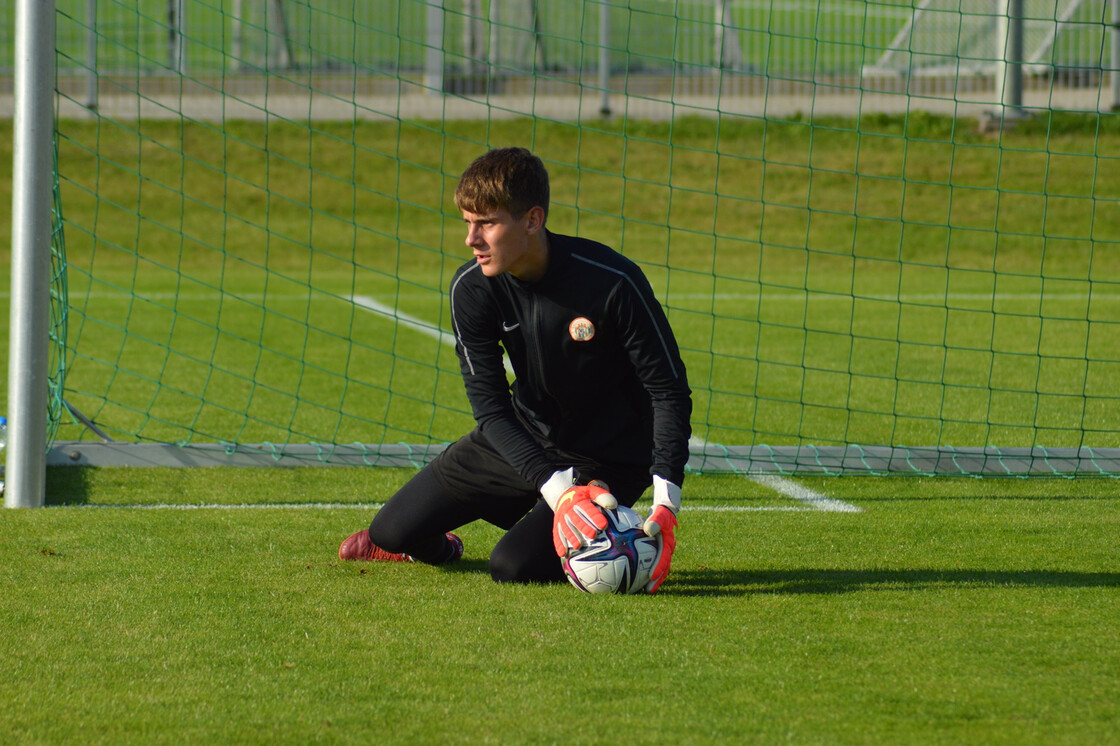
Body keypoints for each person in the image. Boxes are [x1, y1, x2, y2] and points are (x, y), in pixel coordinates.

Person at [338, 147, 692, 592]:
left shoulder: (612, 282)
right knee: (390, 533)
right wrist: (559, 490)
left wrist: (666, 501)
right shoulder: (472, 290)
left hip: (609, 456)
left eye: (486, 223)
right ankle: (446, 546)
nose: (471, 238)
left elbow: (668, 391)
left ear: (532, 220)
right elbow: (490, 407)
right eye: (467, 222)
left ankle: (601, 519)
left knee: (512, 565)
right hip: (523, 436)